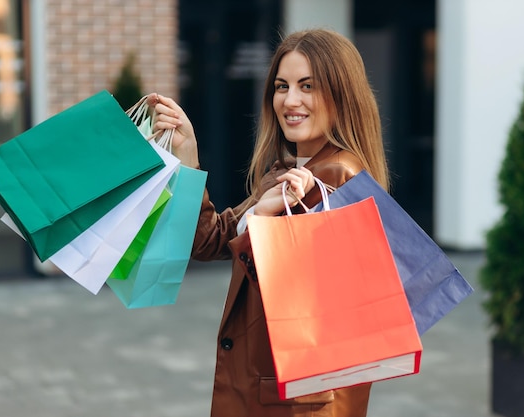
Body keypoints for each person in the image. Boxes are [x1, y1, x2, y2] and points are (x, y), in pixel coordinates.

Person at [149, 28, 389, 417]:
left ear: (341, 95)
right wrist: (189, 156)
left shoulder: (335, 179)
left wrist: (261, 218)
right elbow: (213, 240)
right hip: (273, 388)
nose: (290, 100)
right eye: (282, 86)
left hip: (299, 401)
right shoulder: (288, 172)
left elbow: (296, 288)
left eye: (307, 86)